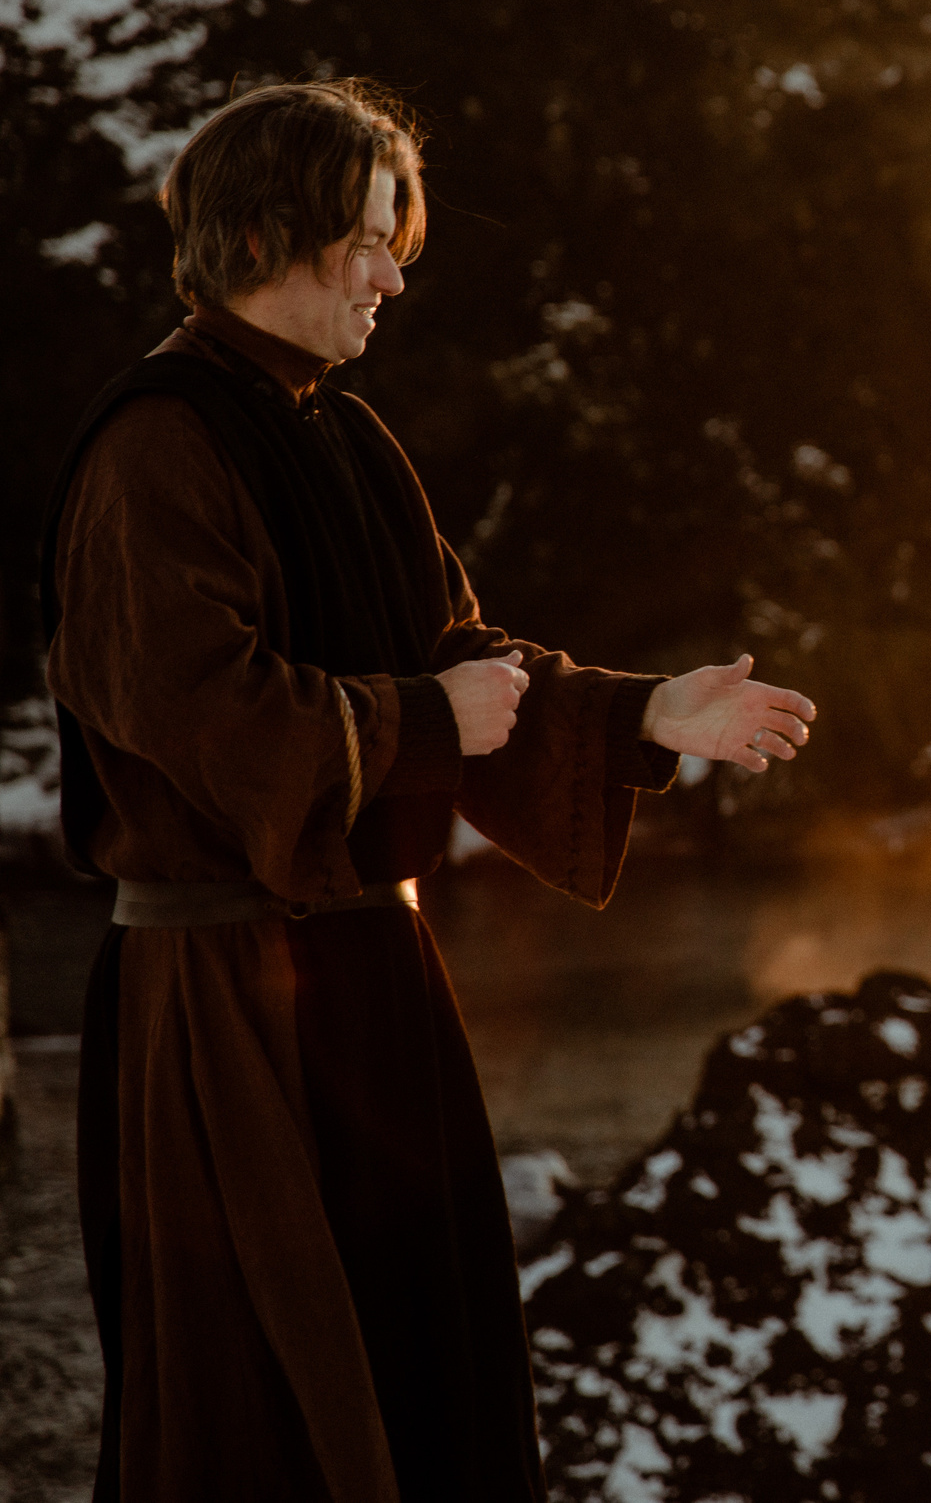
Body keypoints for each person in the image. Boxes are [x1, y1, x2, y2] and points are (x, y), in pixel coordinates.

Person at [38, 79, 818, 1502]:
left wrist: (642, 710)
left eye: (394, 246)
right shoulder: (152, 447)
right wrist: (410, 724)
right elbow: (195, 706)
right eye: (366, 243)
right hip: (224, 1001)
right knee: (261, 1405)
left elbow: (461, 654)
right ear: (265, 235)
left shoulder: (346, 436)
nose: (393, 278)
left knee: (419, 1378)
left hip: (375, 978)